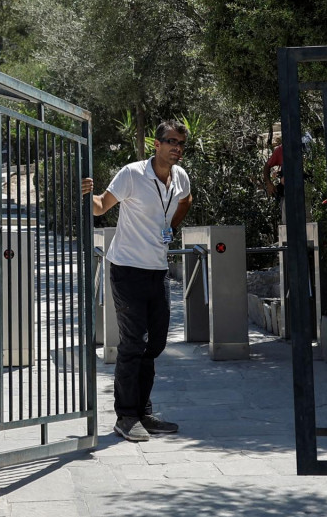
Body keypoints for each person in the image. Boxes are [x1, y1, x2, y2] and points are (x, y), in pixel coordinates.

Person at [81, 120, 193, 442]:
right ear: (155, 144)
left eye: (181, 144)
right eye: (170, 141)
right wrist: (86, 194)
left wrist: (171, 225)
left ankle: (143, 411)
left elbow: (185, 200)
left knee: (155, 343)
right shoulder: (132, 174)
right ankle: (126, 416)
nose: (176, 148)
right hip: (127, 269)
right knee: (133, 344)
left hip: (157, 271)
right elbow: (102, 207)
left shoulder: (180, 177)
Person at [263, 138, 285, 224]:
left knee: (306, 221)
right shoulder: (281, 149)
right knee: (287, 222)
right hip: (286, 191)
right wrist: (269, 184)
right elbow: (266, 166)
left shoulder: (304, 146)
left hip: (303, 188)